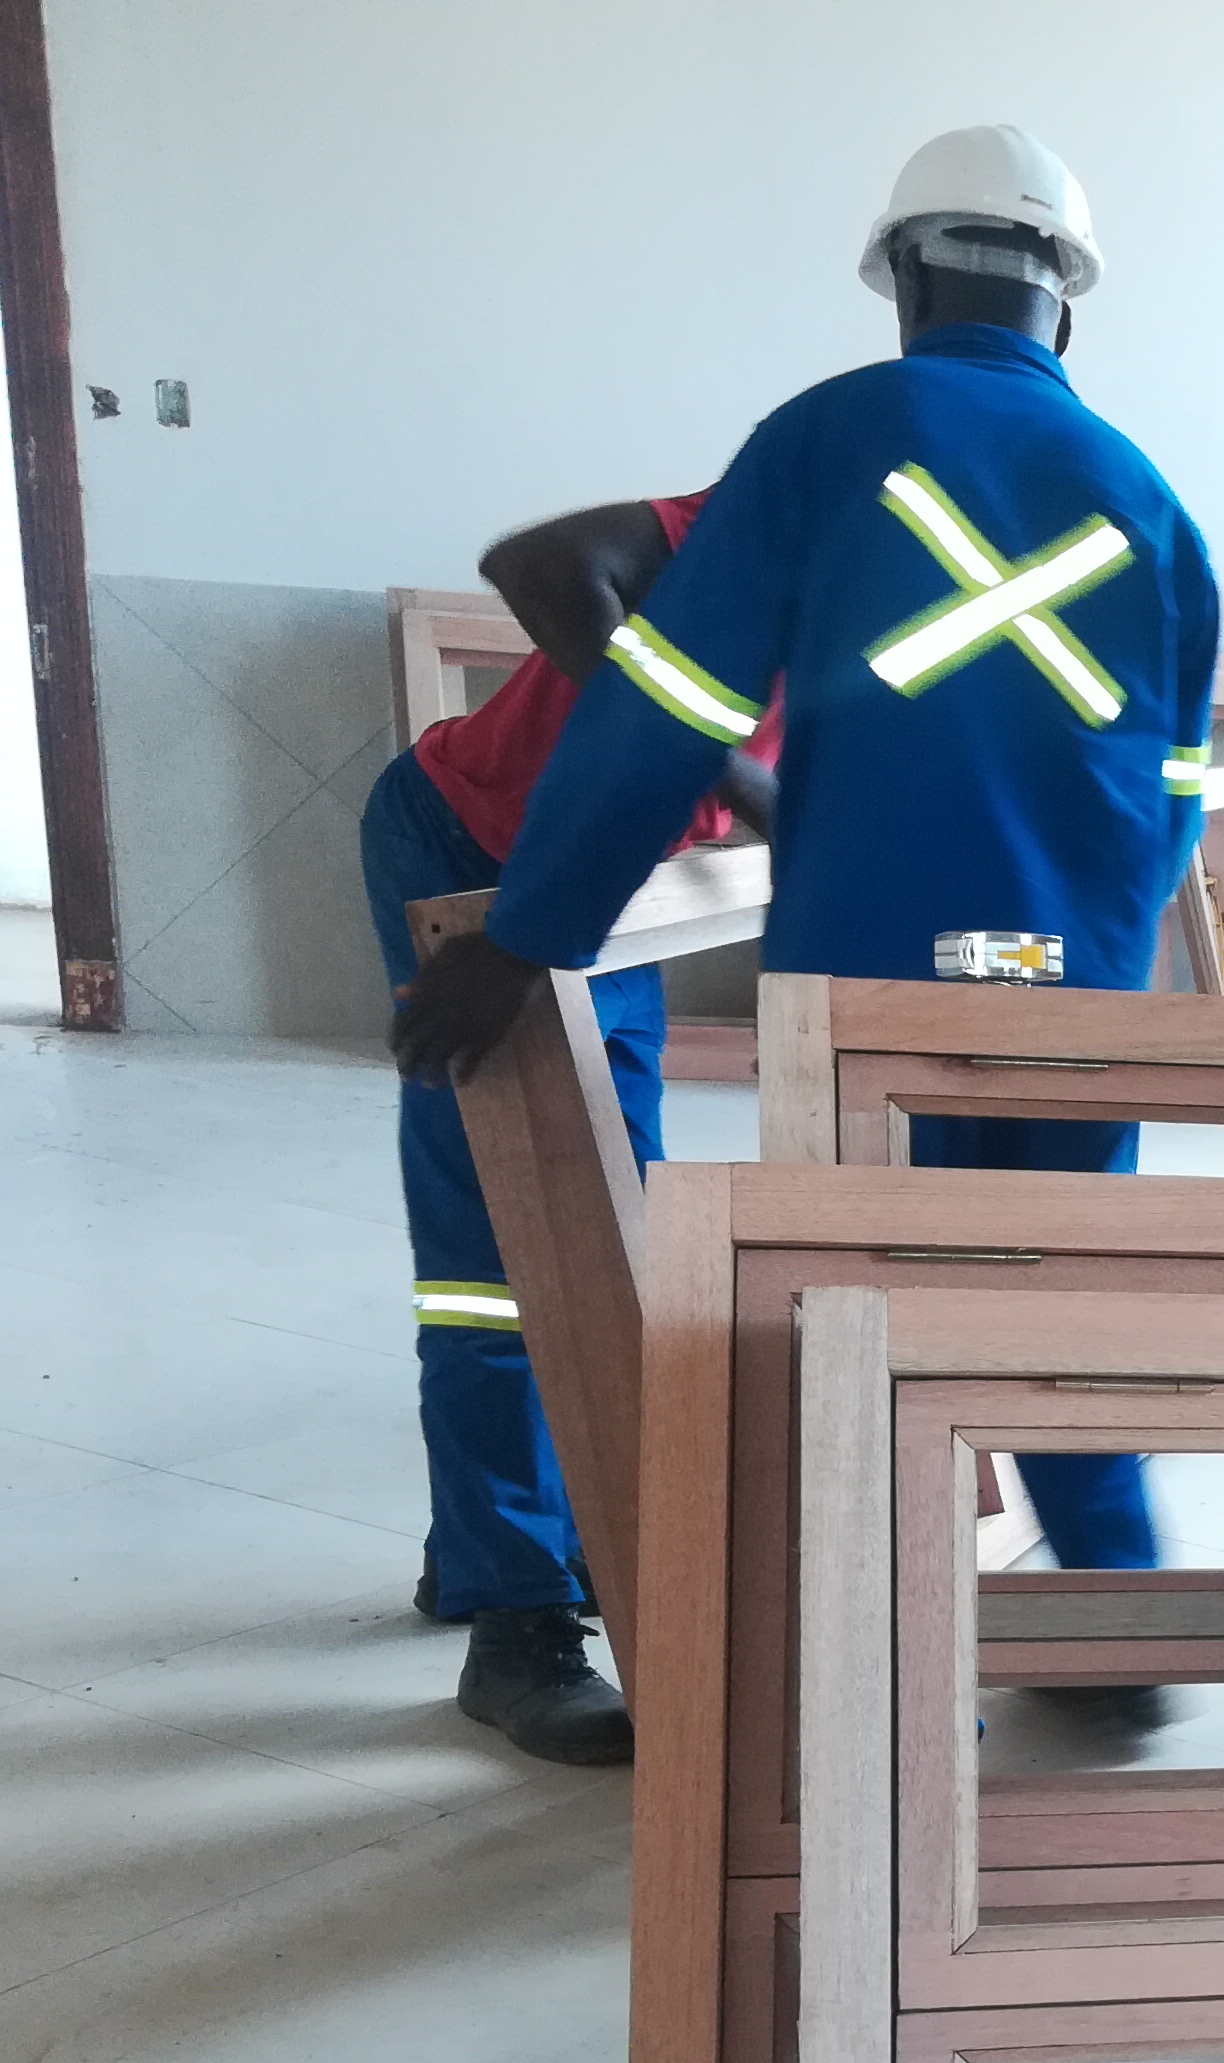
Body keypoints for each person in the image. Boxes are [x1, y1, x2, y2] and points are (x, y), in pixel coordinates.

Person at [398, 123, 1218, 1737]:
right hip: (1063, 980)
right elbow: (1171, 798)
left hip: (866, 977)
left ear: (902, 280)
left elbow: (667, 704)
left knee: (858, 1302)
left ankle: (860, 1657)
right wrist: (1072, 962)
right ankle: (1113, 1619)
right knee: (1054, 1279)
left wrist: (535, 931)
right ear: (1069, 304)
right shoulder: (1152, 502)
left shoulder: (833, 434)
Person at [366, 498, 776, 1766]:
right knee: (505, 1245)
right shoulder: (811, 490)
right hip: (475, 845)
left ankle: (501, 1537)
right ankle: (516, 1620)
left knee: (611, 1225)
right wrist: (722, 768)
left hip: (621, 879)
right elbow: (536, 565)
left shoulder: (974, 572)